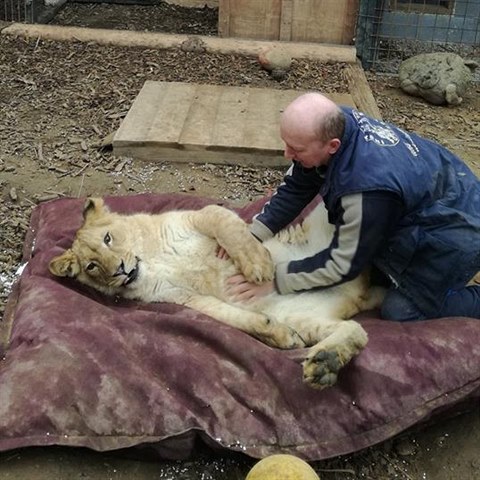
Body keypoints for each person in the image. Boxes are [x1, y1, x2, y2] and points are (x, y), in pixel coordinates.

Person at [227, 92, 480, 321]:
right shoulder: (338, 122)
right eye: (286, 143)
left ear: (332, 145)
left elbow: (342, 266)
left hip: (459, 231)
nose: (286, 154)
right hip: (439, 192)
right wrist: (251, 236)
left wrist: (276, 281)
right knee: (376, 268)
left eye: (296, 149)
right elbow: (297, 187)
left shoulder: (366, 192)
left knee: (400, 310)